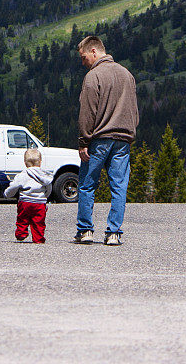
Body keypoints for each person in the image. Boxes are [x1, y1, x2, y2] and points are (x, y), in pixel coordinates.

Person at [74, 35, 139, 245]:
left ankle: (85, 230)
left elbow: (87, 112)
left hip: (99, 139)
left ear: (94, 51)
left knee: (86, 184)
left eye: (84, 57)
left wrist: (84, 141)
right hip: (123, 139)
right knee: (119, 186)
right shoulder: (127, 74)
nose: (83, 63)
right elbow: (134, 111)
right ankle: (113, 233)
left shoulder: (94, 77)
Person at [4, 148, 53, 243]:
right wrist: (45, 196)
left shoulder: (22, 175)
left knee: (22, 218)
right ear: (40, 162)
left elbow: (14, 186)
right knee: (39, 222)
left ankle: (21, 233)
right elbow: (49, 188)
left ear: (25, 163)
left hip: (25, 201)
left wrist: (7, 194)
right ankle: (38, 238)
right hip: (40, 203)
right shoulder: (44, 175)